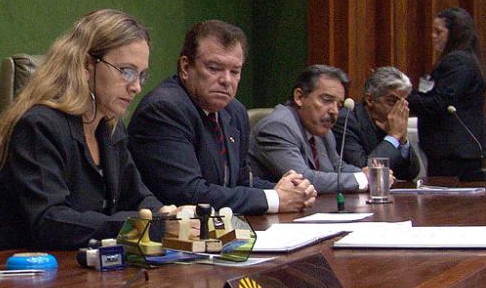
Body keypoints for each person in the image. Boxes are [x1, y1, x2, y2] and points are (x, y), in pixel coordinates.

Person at [0, 9, 166, 255]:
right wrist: (135, 225)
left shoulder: (110, 128)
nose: (137, 87)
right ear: (87, 65)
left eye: (142, 75)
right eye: (127, 71)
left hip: (63, 268)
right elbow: (50, 221)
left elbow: (137, 197)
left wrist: (168, 216)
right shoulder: (40, 126)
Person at [128, 20, 316, 215]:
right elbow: (188, 193)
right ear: (185, 67)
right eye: (214, 68)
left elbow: (240, 182)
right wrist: (274, 198)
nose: (226, 80)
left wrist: (292, 190)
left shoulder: (234, 111)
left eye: (235, 71)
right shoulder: (165, 109)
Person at [249, 65, 369, 195]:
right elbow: (303, 180)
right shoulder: (277, 126)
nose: (334, 111)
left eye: (339, 105)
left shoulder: (322, 130)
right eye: (326, 100)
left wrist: (371, 174)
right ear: (299, 97)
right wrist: (362, 179)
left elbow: (337, 167)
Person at [407, 7, 486, 177]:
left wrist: (403, 98)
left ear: (455, 34)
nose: (433, 36)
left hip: (454, 153)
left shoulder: (457, 61)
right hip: (456, 151)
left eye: (439, 32)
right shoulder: (462, 59)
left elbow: (440, 102)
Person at [333, 66, 421, 181]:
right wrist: (393, 137)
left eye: (403, 103)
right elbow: (365, 172)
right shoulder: (346, 121)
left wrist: (402, 140)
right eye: (392, 101)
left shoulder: (391, 124)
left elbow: (411, 173)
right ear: (370, 100)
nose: (399, 109)